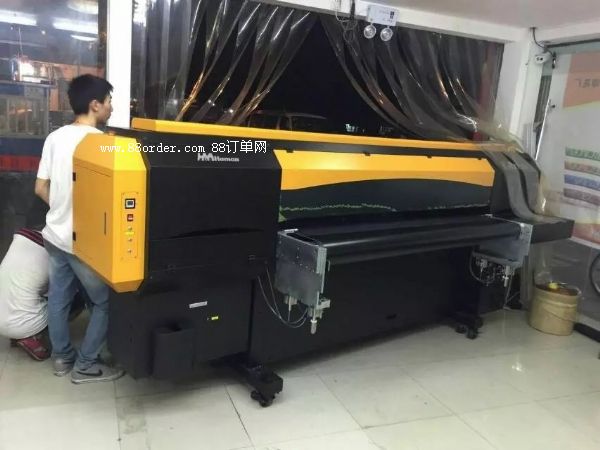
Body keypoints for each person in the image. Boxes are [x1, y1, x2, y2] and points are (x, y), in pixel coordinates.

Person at [34, 74, 124, 384]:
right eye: (109, 101)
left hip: (54, 236)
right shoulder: (103, 144)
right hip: (81, 244)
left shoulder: (54, 138)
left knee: (58, 299)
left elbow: (40, 187)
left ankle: (62, 358)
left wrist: (61, 208)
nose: (112, 107)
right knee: (104, 302)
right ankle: (86, 364)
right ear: (95, 105)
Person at [0, 228, 86, 361]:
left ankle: (16, 336)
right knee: (73, 298)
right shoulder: (55, 254)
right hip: (24, 324)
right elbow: (58, 292)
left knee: (22, 291)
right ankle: (33, 336)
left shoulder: (21, 241)